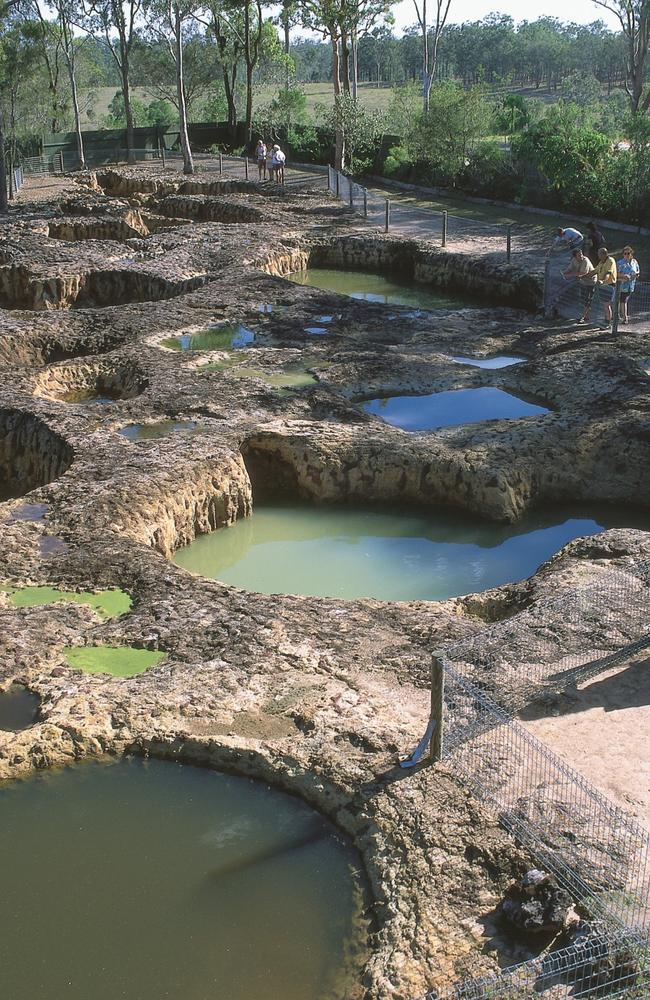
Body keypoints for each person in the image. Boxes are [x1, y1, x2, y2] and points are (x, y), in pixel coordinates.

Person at [584, 247, 617, 327]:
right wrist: (583, 276)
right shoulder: (601, 262)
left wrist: (603, 281)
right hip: (602, 286)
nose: (598, 255)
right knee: (605, 305)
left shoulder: (610, 261)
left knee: (606, 305)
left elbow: (608, 274)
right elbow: (594, 271)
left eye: (599, 254)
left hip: (608, 285)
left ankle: (608, 322)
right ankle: (607, 319)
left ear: (604, 254)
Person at [562, 247, 597, 323]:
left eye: (581, 254)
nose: (581, 256)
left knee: (587, 299)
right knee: (583, 299)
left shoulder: (585, 260)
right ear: (575, 256)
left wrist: (570, 275)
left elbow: (583, 273)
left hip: (590, 282)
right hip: (583, 282)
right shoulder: (574, 260)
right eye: (579, 255)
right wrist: (564, 273)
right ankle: (586, 316)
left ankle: (583, 317)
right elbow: (569, 269)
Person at [616, 246, 640, 324]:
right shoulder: (620, 263)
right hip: (621, 285)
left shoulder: (634, 262)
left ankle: (618, 315)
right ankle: (624, 317)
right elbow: (615, 273)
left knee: (622, 301)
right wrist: (624, 276)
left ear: (631, 254)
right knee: (623, 301)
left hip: (630, 285)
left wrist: (636, 275)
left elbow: (638, 271)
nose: (626, 255)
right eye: (625, 253)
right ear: (623, 254)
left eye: (628, 253)